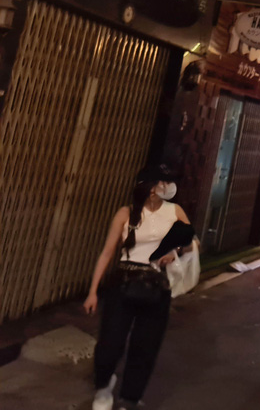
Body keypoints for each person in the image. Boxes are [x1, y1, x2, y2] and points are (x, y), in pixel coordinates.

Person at [84, 165, 191, 410]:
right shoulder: (126, 213)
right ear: (148, 186)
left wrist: (174, 250)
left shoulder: (175, 211)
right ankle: (103, 386)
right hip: (124, 283)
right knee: (110, 343)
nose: (167, 187)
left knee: (146, 346)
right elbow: (107, 253)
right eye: (162, 182)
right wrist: (92, 292)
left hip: (157, 286)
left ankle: (130, 398)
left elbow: (191, 243)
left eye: (168, 182)